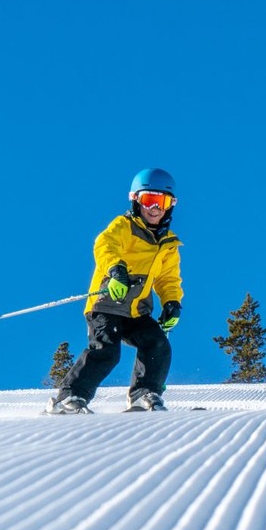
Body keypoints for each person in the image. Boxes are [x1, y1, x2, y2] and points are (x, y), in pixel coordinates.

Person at [49, 168, 185, 413]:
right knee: (107, 350)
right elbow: (105, 245)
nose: (155, 208)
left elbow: (168, 279)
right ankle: (70, 397)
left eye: (162, 202)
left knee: (157, 343)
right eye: (149, 200)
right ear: (136, 201)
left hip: (137, 311)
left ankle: (145, 393)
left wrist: (171, 302)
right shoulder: (124, 226)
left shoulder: (168, 243)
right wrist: (116, 270)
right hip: (107, 304)